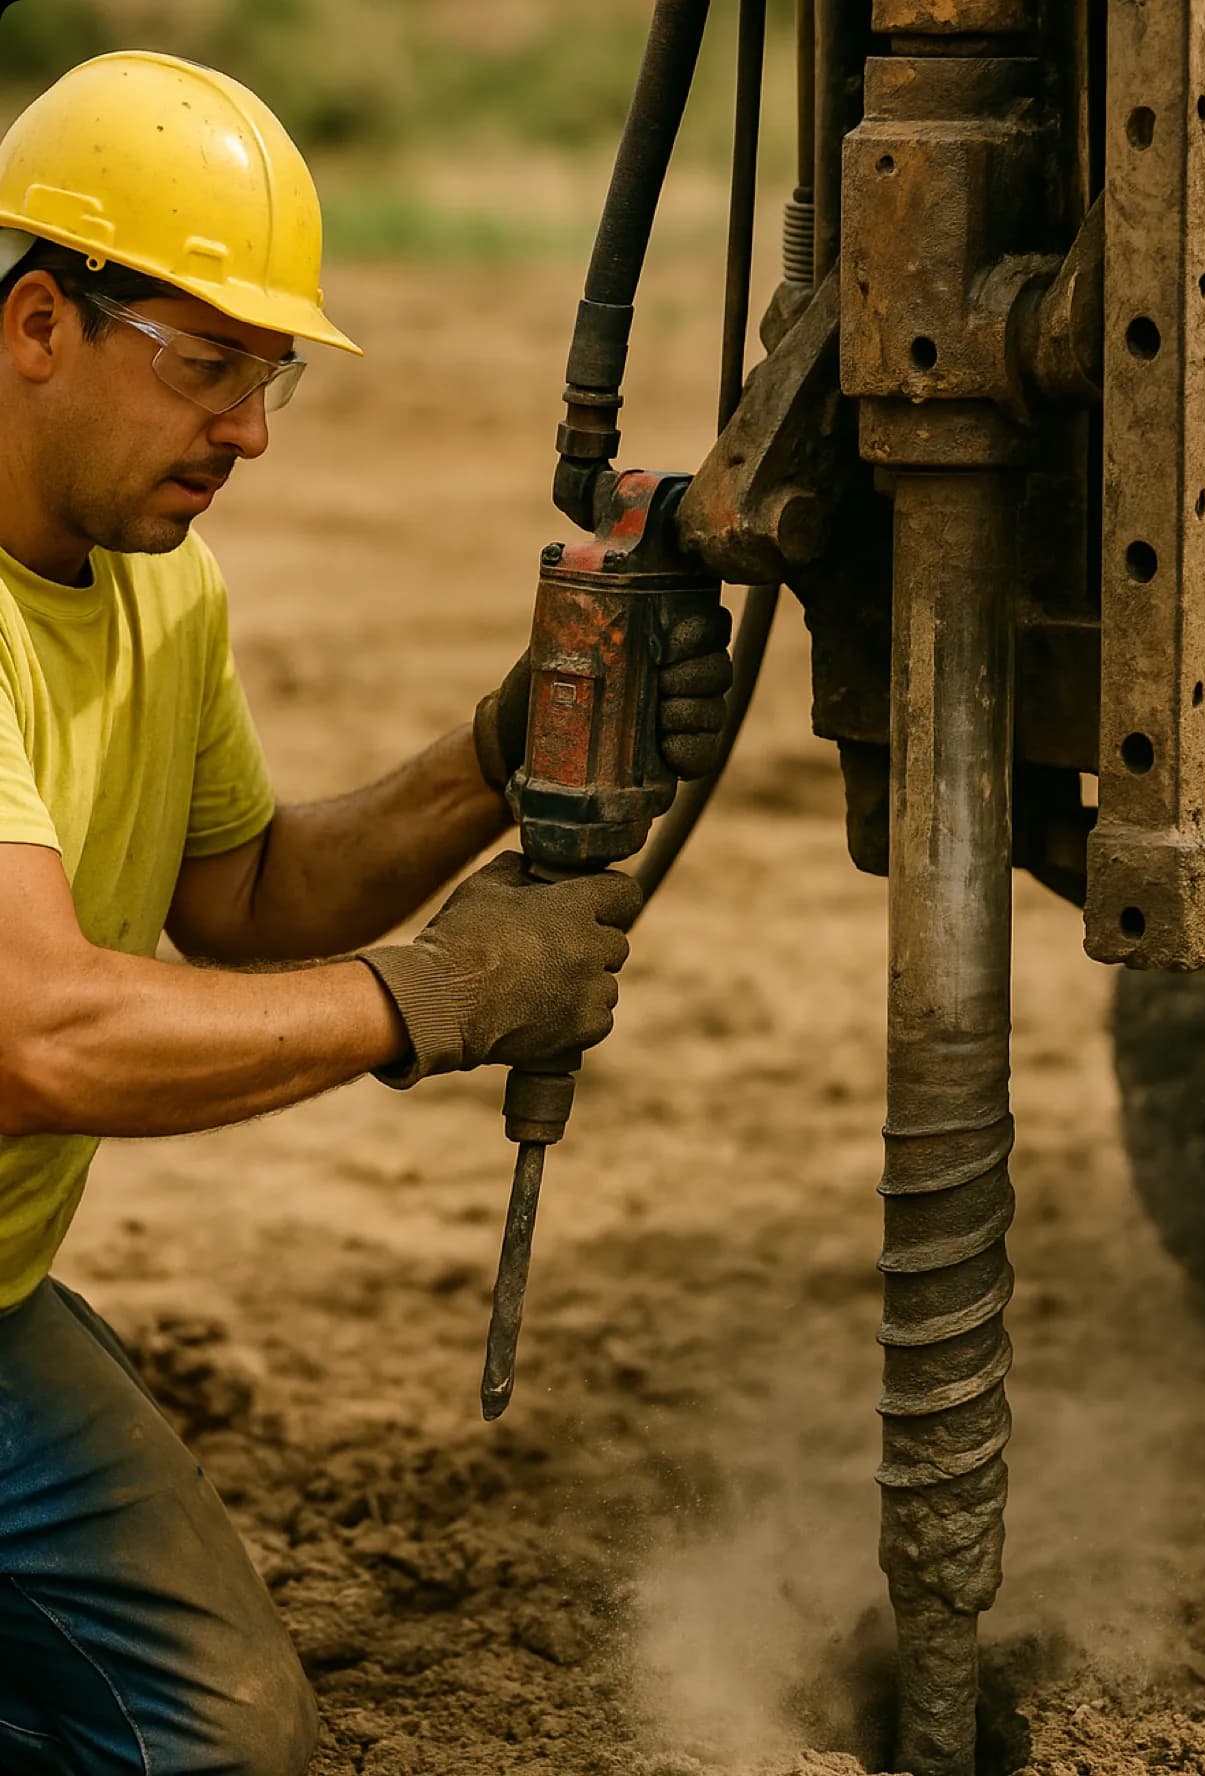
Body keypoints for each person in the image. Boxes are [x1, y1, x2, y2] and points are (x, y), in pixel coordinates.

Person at [0, 50, 732, 1776]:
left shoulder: (153, 583)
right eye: (207, 366)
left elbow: (243, 895)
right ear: (39, 324)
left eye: (273, 380)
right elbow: (34, 1035)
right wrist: (432, 995)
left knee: (227, 1743)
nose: (246, 431)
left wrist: (494, 754)